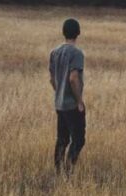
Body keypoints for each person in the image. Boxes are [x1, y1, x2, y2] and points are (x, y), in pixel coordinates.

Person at [49, 18, 86, 174]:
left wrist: (59, 92)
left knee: (62, 139)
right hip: (71, 105)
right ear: (78, 33)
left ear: (63, 32)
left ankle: (58, 171)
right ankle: (69, 170)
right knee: (78, 139)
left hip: (59, 104)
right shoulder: (77, 53)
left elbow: (52, 79)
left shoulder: (54, 52)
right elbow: (73, 78)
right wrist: (79, 101)